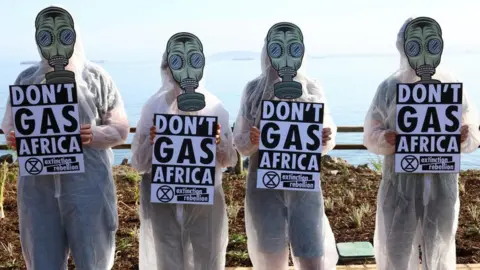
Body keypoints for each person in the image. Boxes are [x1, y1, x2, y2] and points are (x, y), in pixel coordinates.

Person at [1, 5, 129, 270]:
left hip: (89, 188)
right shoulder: (26, 80)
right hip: (39, 192)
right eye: (47, 36)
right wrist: (15, 137)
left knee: (93, 259)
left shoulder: (96, 78)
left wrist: (96, 134)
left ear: (74, 36)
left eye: (64, 35)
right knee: (42, 260)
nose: (56, 44)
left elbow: (120, 128)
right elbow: (10, 125)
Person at [363, 17, 480, 270]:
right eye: (415, 45)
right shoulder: (389, 88)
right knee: (396, 251)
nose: (424, 53)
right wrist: (386, 138)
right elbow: (371, 135)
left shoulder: (451, 86)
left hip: (442, 184)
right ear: (404, 47)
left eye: (432, 44)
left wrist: (464, 135)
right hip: (400, 186)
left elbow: (471, 130)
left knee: (439, 249)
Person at [233, 33, 339, 269]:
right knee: (271, 254)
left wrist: (324, 136)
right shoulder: (253, 90)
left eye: (293, 49)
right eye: (277, 49)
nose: (285, 57)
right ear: (267, 53)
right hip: (265, 187)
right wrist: (253, 140)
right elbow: (239, 142)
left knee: (311, 250)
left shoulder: (312, 88)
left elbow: (326, 125)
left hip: (304, 187)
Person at [131, 34, 238, 270]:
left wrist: (219, 142)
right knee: (167, 262)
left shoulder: (214, 107)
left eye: (193, 61)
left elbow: (229, 160)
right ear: (167, 67)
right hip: (163, 202)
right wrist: (150, 142)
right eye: (177, 62)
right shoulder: (154, 107)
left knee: (207, 260)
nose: (185, 71)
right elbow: (139, 162)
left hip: (205, 202)